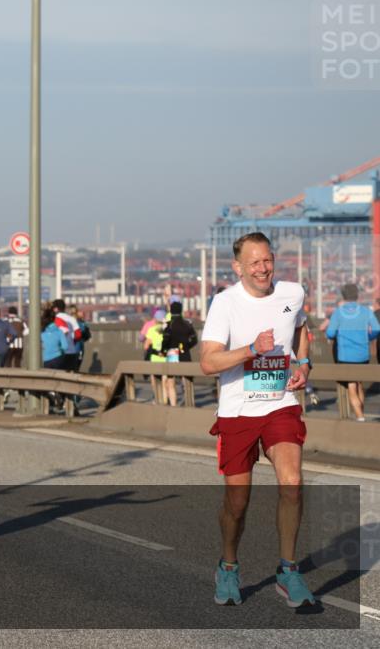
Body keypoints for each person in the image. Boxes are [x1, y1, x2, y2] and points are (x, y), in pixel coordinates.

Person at [200, 232, 315, 608]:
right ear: (238, 267)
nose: (263, 268)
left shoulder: (292, 292)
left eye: (267, 260)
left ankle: (288, 570)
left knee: (292, 482)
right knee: (238, 502)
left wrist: (303, 363)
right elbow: (208, 362)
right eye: (254, 263)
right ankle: (228, 565)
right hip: (238, 411)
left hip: (280, 404)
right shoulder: (225, 303)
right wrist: (250, 350)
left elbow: (301, 329)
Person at [325, 283, 380, 422]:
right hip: (363, 354)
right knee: (359, 383)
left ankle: (360, 417)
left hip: (345, 355)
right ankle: (361, 412)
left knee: (351, 385)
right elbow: (376, 329)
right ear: (357, 295)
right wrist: (368, 337)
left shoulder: (338, 312)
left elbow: (330, 333)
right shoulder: (366, 311)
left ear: (343, 295)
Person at [159, 301, 198, 407]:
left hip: (172, 354)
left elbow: (165, 340)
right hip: (184, 353)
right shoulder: (188, 324)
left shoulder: (169, 325)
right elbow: (194, 340)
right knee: (187, 380)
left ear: (171, 311)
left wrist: (163, 351)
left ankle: (174, 406)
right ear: (181, 310)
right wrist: (185, 347)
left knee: (171, 381)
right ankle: (190, 403)